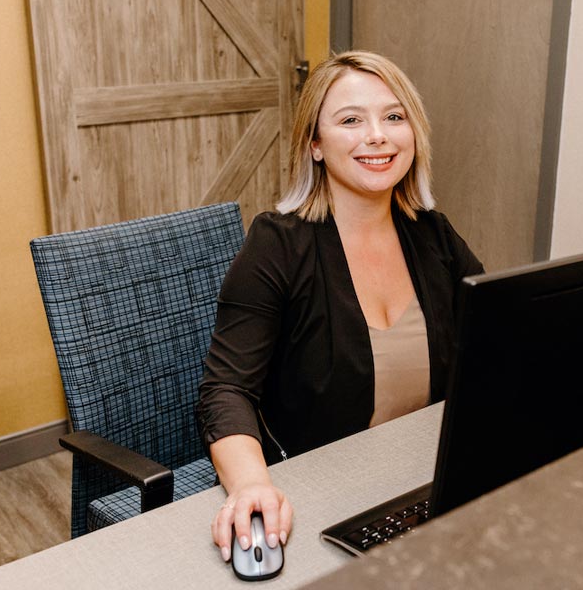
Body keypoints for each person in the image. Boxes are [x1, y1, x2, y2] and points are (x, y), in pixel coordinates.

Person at [195, 50, 484, 562]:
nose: (378, 135)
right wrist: (250, 486)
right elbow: (226, 388)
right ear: (315, 145)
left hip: (422, 481)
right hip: (325, 496)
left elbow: (499, 337)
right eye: (351, 120)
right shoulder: (278, 245)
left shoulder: (434, 235)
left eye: (394, 117)